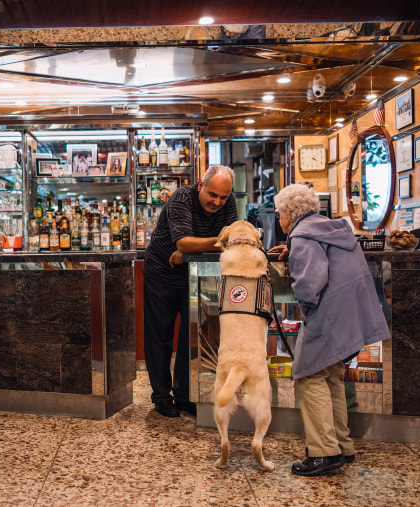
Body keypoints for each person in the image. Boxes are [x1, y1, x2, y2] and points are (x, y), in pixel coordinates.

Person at [267, 184, 390, 477]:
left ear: (288, 214)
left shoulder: (301, 235)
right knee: (331, 374)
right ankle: (343, 447)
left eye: (279, 214)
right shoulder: (328, 228)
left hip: (330, 313)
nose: (279, 220)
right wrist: (294, 248)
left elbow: (310, 285)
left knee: (308, 375)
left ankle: (324, 453)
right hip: (355, 311)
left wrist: (307, 309)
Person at [143, 165, 238, 418]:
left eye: (223, 197)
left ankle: (185, 396)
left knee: (193, 337)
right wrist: (205, 244)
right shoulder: (181, 198)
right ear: (201, 187)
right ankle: (162, 397)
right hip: (161, 273)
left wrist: (190, 250)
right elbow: (184, 241)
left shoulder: (229, 203)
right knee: (160, 337)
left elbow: (235, 237)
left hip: (196, 273)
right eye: (213, 195)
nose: (218, 202)